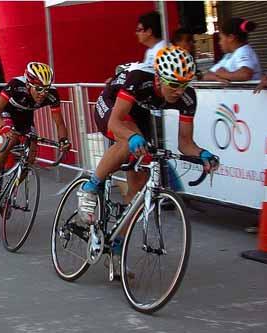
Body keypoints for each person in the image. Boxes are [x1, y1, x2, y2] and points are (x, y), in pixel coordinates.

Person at [78, 46, 219, 276]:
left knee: (139, 190)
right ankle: (90, 186)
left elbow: (185, 143)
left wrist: (203, 154)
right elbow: (116, 123)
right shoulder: (139, 79)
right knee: (128, 141)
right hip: (112, 104)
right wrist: (132, 138)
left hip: (140, 112)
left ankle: (116, 247)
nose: (178, 91)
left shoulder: (186, 96)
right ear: (159, 78)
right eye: (173, 84)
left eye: (184, 84)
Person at [0, 61, 71, 203]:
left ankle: (11, 191)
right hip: (7, 114)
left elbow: (59, 122)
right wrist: (3, 127)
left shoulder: (52, 94)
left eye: (46, 89)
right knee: (9, 141)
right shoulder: (16, 85)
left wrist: (64, 140)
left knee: (32, 155)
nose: (43, 94)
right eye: (39, 89)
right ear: (28, 84)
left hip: (26, 118)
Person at [203, 18, 261, 83]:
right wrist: (217, 78)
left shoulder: (244, 51)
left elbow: (245, 74)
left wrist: (223, 74)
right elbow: (207, 75)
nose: (220, 42)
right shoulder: (229, 56)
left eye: (221, 38)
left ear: (231, 38)